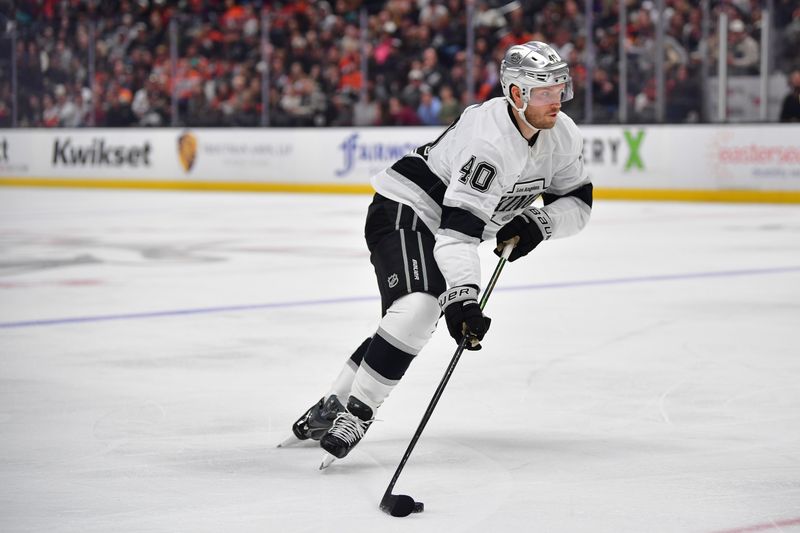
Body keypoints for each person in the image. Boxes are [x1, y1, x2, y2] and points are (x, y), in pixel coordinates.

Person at [286, 41, 593, 463]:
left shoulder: (562, 135)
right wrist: (464, 297)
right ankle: (357, 413)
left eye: (560, 89)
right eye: (544, 92)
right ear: (517, 94)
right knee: (420, 307)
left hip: (448, 226)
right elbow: (457, 235)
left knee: (409, 321)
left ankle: (334, 403)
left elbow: (578, 203)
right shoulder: (489, 141)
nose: (556, 101)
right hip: (407, 207)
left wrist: (540, 223)